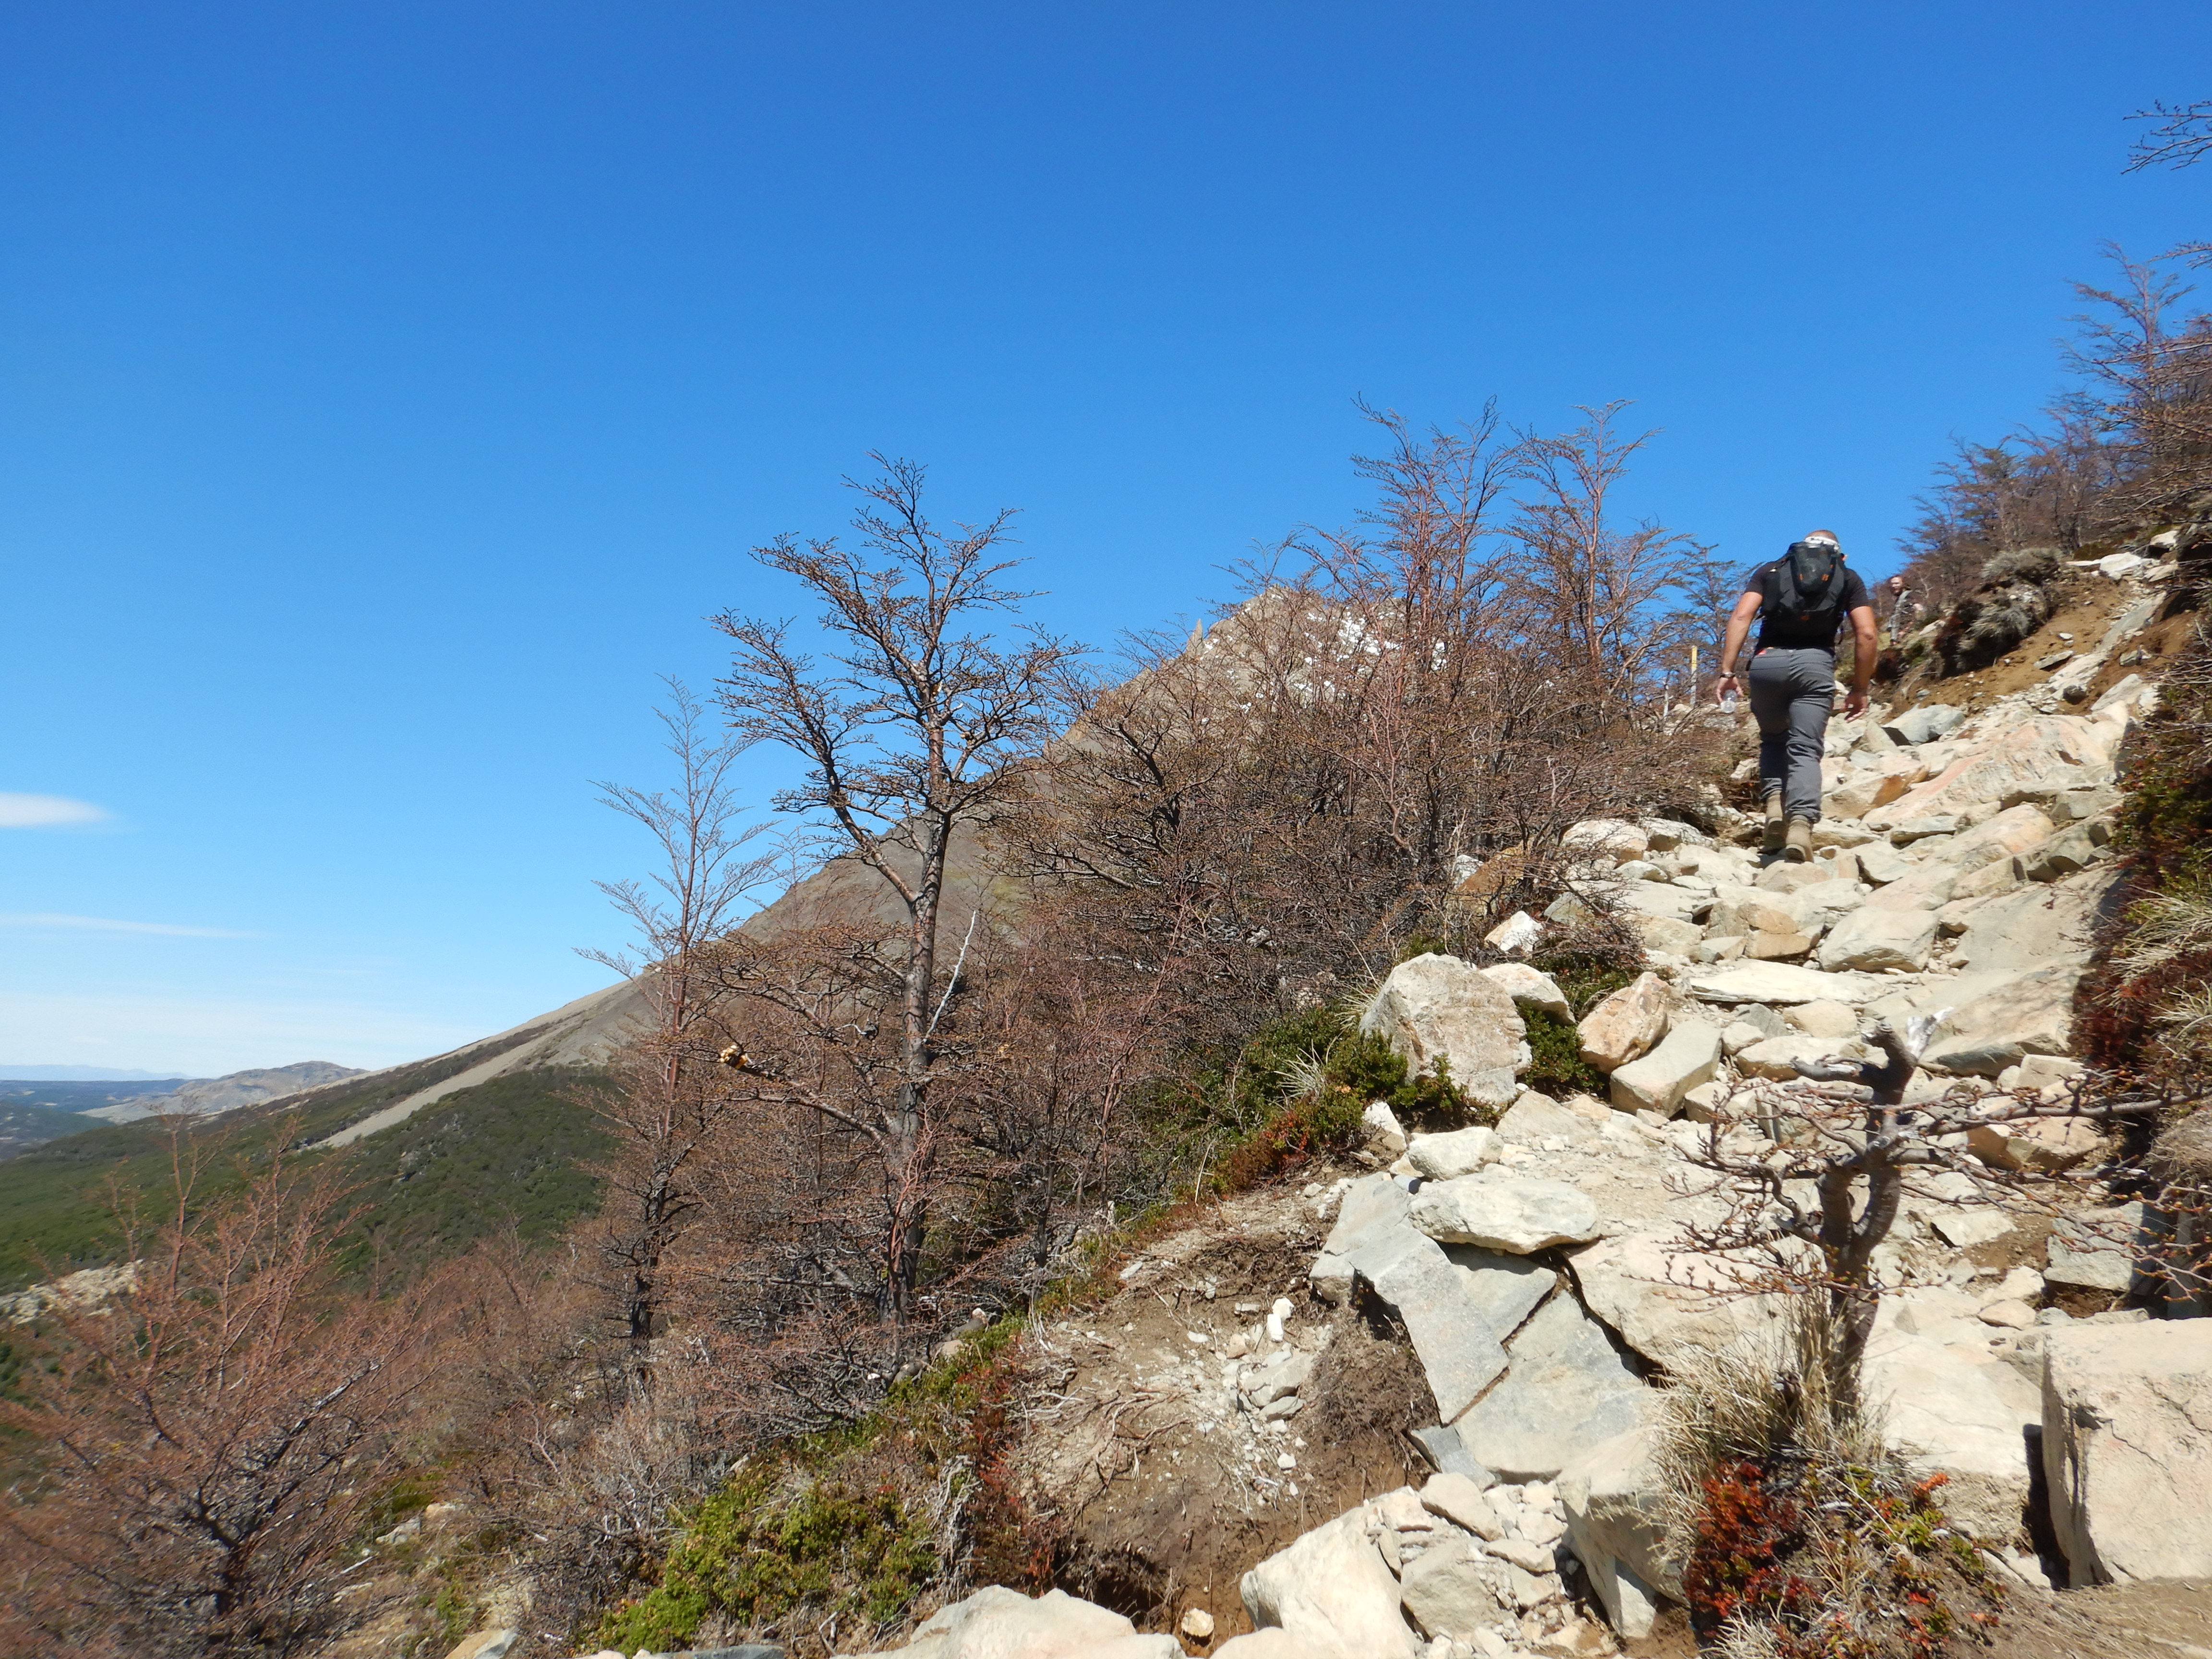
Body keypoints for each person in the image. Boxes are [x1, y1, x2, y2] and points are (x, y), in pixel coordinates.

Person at [1713, 530, 1879, 862]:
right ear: (1840, 555)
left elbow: (1742, 616)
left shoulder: (1770, 570)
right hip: (1815, 666)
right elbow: (1867, 633)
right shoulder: (1848, 577)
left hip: (1767, 665)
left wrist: (1728, 672)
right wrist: (1860, 688)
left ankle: (1775, 810)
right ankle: (1801, 827)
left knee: (1773, 740)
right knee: (1805, 748)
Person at [1880, 573, 1921, 643]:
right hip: (1900, 637)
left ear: (1904, 584)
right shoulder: (1900, 600)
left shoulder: (1910, 596)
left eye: (1897, 583)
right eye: (1892, 584)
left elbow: (1918, 613)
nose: (1893, 586)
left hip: (1909, 636)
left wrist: (1905, 631)